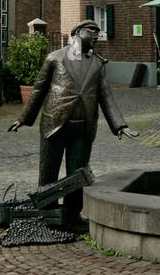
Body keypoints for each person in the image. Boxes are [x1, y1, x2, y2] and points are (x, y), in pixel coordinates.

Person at [8, 20, 138, 223]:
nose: (97, 35)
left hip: (83, 127)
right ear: (78, 32)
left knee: (78, 174)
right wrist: (23, 119)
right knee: (48, 172)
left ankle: (72, 213)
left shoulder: (98, 64)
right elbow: (38, 90)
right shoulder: (54, 58)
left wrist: (120, 125)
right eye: (92, 31)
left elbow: (106, 97)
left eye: (98, 32)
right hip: (54, 124)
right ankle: (47, 211)